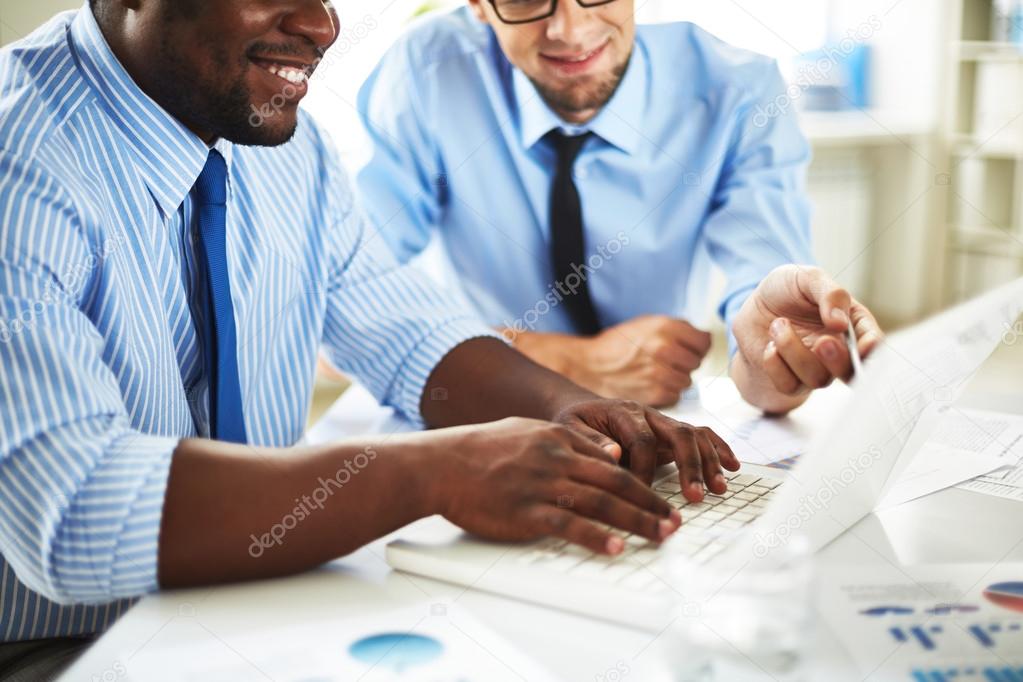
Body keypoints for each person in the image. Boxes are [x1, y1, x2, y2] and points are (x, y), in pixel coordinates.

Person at [0, 0, 738, 677]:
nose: (320, 26)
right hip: (63, 652)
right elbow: (74, 510)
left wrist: (572, 410)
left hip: (251, 609)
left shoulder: (273, 131)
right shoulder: (20, 166)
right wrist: (432, 473)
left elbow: (400, 322)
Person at [355, 0, 883, 412]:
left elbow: (764, 366)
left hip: (657, 415)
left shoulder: (741, 91)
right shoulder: (427, 74)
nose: (570, 29)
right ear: (476, 5)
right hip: (480, 408)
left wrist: (778, 354)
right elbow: (343, 315)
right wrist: (566, 360)